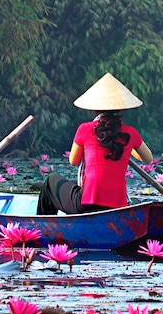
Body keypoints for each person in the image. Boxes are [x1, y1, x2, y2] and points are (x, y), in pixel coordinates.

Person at [35, 73, 152, 215]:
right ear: (120, 109)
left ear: (95, 109)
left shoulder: (85, 129)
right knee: (73, 184)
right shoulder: (130, 134)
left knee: (51, 181)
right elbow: (147, 158)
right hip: (117, 207)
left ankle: (45, 227)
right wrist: (127, 145)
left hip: (87, 203)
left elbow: (73, 161)